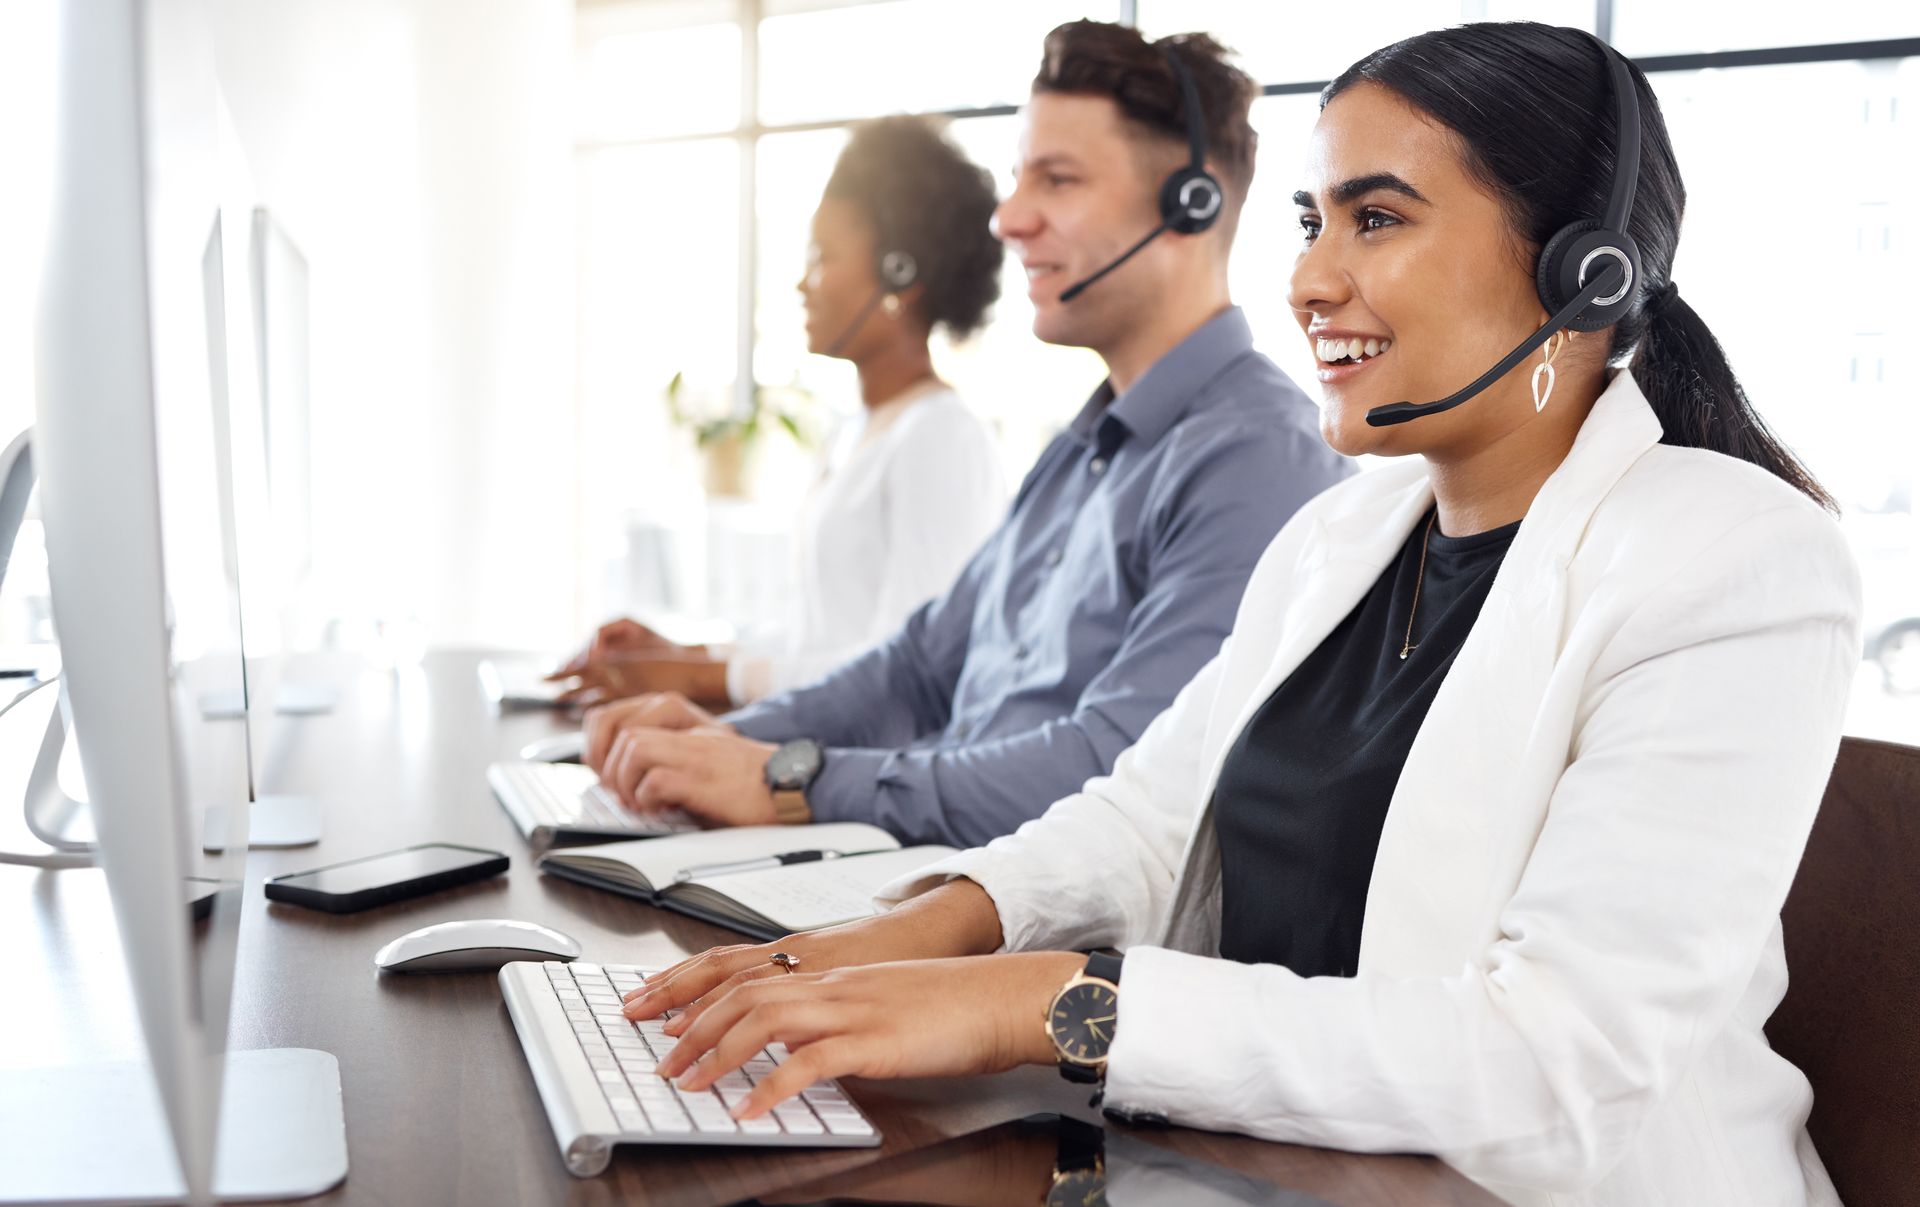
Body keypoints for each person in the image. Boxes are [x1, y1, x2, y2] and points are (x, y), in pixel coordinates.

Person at [614, 24, 1860, 1207]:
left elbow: (1550, 1056)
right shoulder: (1340, 539)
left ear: (1581, 271)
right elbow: (1147, 824)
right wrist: (892, 941)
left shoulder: (1736, 562)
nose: (1311, 278)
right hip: (1284, 1170)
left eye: (1376, 218)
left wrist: (1037, 1001)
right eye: (1315, 221)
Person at [577, 22, 1350, 849]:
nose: (1009, 218)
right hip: (921, 866)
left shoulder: (1257, 456)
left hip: (1011, 921)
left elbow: (1115, 771)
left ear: (1189, 206)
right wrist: (725, 742)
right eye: (1019, 178)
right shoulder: (1080, 449)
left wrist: (787, 779)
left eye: (1056, 179)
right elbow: (916, 667)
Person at [557, 116, 1007, 709]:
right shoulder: (858, 430)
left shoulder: (940, 438)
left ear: (902, 274)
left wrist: (702, 680)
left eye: (823, 257)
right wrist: (684, 654)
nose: (803, 283)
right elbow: (812, 636)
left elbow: (909, 674)